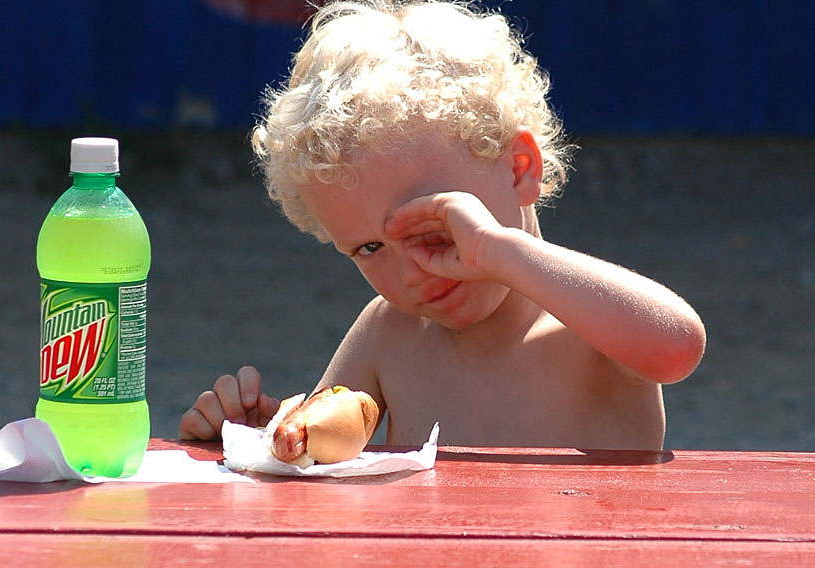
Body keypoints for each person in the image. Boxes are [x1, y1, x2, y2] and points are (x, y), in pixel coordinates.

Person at [179, 0, 706, 450]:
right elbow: (325, 454)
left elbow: (678, 346)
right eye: (368, 248)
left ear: (520, 168)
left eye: (432, 228)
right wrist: (263, 439)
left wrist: (498, 251)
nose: (412, 273)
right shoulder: (389, 332)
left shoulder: (588, 324)